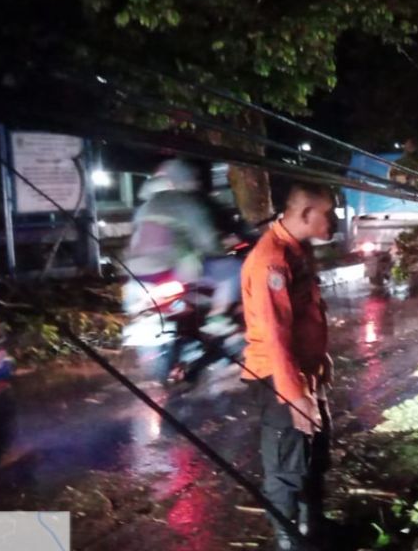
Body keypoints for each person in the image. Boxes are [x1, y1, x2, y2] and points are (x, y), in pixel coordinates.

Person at [241, 183, 336, 551]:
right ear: (305, 214)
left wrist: (317, 361)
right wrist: (294, 397)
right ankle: (289, 540)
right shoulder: (272, 261)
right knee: (287, 467)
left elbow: (305, 317)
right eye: (327, 213)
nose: (333, 220)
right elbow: (276, 335)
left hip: (303, 373)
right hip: (279, 379)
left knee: (315, 455)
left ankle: (314, 530)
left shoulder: (297, 251)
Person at [125, 158, 241, 330]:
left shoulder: (144, 207)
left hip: (136, 276)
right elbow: (207, 241)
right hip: (172, 270)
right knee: (233, 269)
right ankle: (218, 318)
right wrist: (220, 250)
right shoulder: (187, 202)